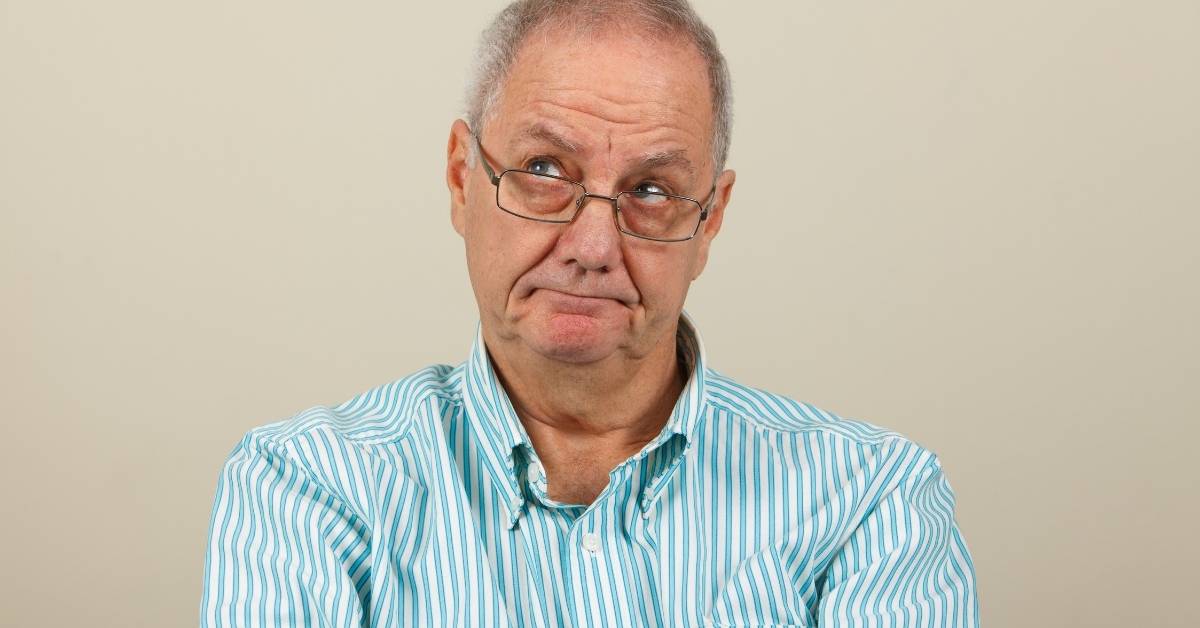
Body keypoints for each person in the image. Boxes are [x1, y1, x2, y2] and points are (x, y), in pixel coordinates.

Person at [200, 1, 979, 625]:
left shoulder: (869, 502)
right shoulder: (307, 489)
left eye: (652, 190)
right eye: (544, 169)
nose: (594, 246)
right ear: (462, 178)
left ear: (709, 221)